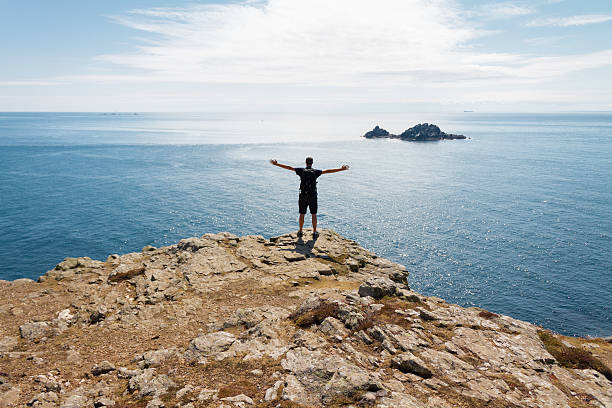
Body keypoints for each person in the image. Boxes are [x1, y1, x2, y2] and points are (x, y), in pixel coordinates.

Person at [270, 157, 350, 238]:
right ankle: (314, 232)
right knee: (314, 214)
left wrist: (277, 164)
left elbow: (289, 167)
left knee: (302, 214)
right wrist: (341, 169)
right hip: (313, 196)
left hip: (303, 196)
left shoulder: (301, 171)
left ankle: (300, 231)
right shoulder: (316, 172)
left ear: (305, 162)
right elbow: (328, 171)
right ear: (312, 163)